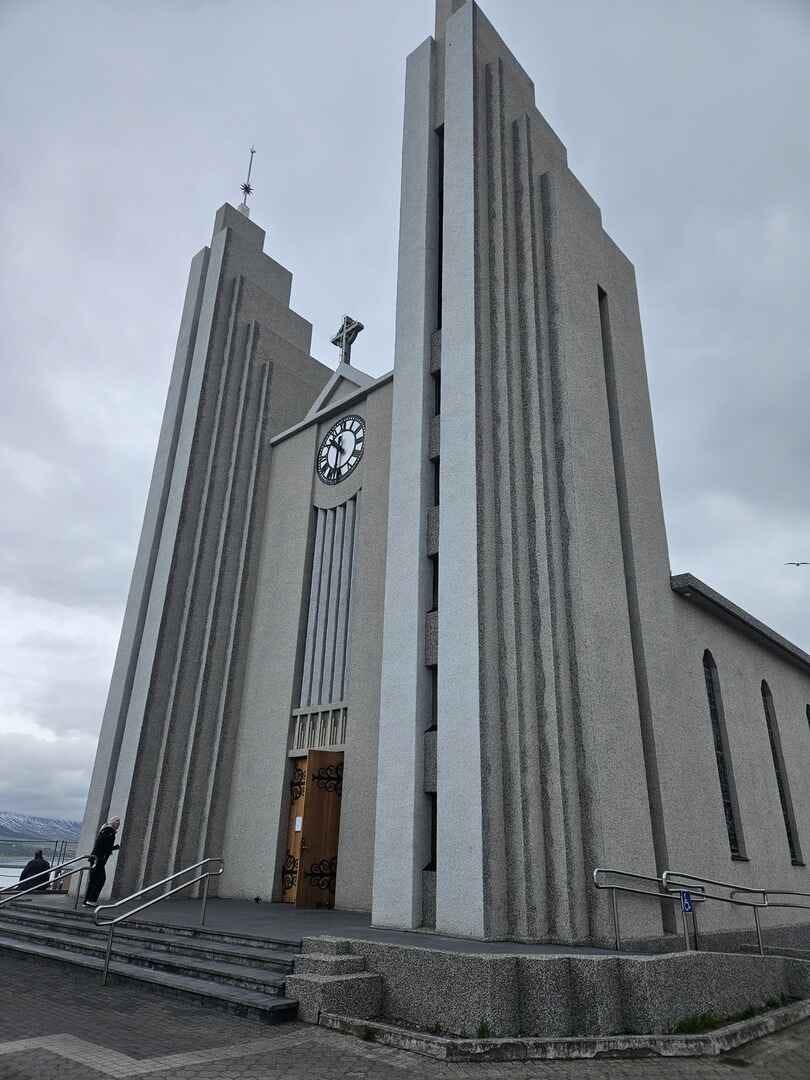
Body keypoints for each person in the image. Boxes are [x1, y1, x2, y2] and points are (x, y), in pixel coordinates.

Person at [83, 817, 121, 907]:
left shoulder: (105, 830)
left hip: (96, 858)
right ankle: (91, 900)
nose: (118, 825)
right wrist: (113, 848)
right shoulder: (110, 831)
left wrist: (111, 848)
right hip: (98, 859)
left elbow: (101, 844)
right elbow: (104, 846)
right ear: (113, 823)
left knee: (93, 880)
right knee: (100, 880)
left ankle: (87, 901)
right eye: (117, 822)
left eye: (119, 823)